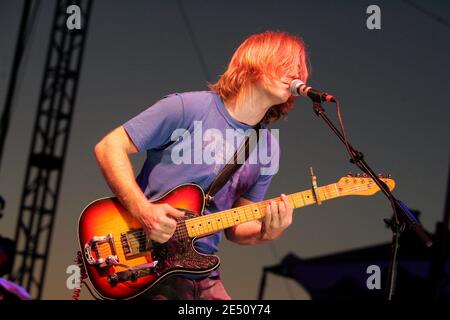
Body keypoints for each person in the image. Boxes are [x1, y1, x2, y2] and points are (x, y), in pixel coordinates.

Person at [94, 31, 309, 300]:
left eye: (297, 69)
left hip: (201, 273)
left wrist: (268, 231)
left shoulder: (268, 147)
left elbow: (237, 226)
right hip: (144, 262)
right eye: (284, 64)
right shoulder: (186, 107)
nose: (294, 75)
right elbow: (109, 147)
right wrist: (144, 211)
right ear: (254, 61)